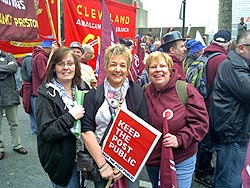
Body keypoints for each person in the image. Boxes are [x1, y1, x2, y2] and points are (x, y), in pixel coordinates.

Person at [81, 44, 149, 187]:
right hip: (101, 160)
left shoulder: (136, 92)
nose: (118, 70)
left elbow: (143, 130)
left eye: (123, 65)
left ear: (128, 68)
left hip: (129, 161)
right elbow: (86, 131)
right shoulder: (93, 95)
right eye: (113, 64)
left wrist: (124, 164)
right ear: (106, 66)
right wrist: (103, 165)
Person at [144, 51, 209, 188]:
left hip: (179, 159)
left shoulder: (185, 90)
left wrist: (179, 139)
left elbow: (201, 123)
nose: (158, 70)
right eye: (153, 67)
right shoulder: (144, 91)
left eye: (162, 66)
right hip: (153, 161)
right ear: (148, 71)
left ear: (170, 68)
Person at [36, 47, 85, 187]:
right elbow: (46, 132)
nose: (66, 68)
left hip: (84, 158)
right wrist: (70, 117)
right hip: (62, 162)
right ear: (53, 67)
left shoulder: (82, 88)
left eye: (70, 63)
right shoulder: (46, 95)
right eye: (60, 64)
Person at [209, 30, 250, 188]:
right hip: (232, 134)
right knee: (229, 180)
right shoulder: (233, 66)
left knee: (225, 176)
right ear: (241, 48)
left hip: (233, 130)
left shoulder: (238, 64)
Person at [194, 29, 231, 188]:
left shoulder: (204, 55)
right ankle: (202, 171)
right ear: (228, 43)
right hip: (214, 108)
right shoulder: (223, 59)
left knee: (203, 140)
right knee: (209, 143)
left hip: (201, 103)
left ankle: (201, 169)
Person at [0, 50, 28, 160]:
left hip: (10, 95)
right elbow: (9, 69)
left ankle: (17, 145)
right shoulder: (8, 59)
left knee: (14, 123)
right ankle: (0, 148)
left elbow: (13, 68)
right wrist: (6, 69)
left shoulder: (9, 55)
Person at [31, 36, 54, 135]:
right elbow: (43, 75)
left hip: (38, 90)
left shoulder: (41, 56)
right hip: (40, 91)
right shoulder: (41, 57)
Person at [20, 53, 37, 134]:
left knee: (31, 109)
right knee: (33, 109)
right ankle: (35, 129)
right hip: (30, 87)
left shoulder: (26, 59)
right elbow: (31, 73)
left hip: (28, 87)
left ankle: (34, 128)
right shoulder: (29, 59)